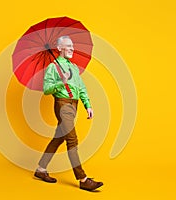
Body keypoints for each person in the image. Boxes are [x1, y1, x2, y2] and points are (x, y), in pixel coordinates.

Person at [34, 36, 103, 191]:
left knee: (58, 138)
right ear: (59, 48)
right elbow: (46, 90)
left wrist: (88, 105)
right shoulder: (53, 67)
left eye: (72, 46)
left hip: (75, 105)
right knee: (72, 140)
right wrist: (61, 82)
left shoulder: (73, 67)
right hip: (62, 105)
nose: (72, 49)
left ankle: (40, 170)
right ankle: (83, 179)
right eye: (68, 46)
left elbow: (81, 87)